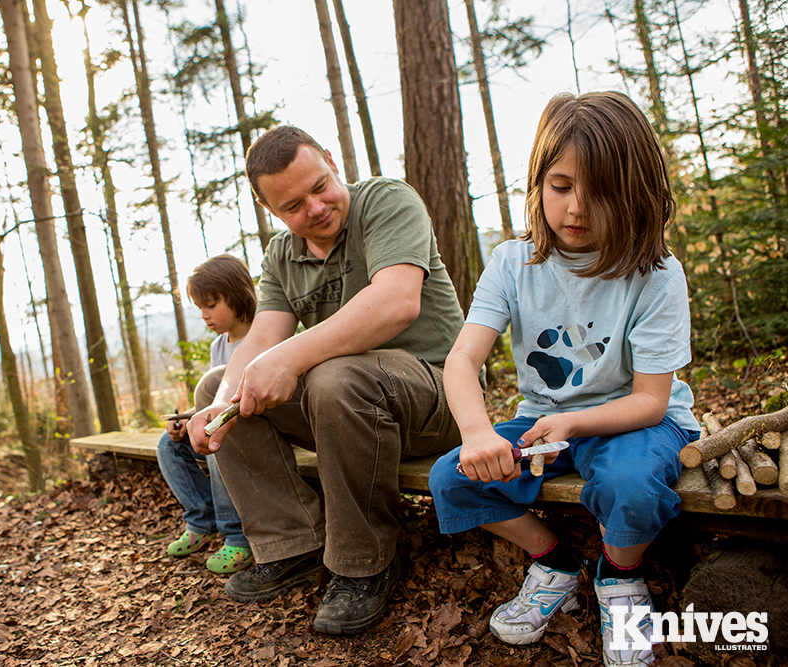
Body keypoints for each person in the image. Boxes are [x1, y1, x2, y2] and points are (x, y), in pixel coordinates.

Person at [428, 91, 701, 667]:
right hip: (544, 422)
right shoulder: (511, 262)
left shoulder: (655, 273)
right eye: (561, 186)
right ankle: (554, 562)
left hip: (636, 422)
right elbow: (461, 361)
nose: (576, 209)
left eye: (600, 192)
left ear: (636, 192)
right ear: (539, 182)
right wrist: (478, 434)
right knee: (452, 477)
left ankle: (619, 574)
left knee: (629, 484)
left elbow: (651, 401)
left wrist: (575, 421)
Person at [186, 125, 465, 635]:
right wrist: (223, 402)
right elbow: (258, 343)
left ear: (333, 162)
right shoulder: (281, 256)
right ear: (271, 211)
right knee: (217, 385)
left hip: (442, 396)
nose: (313, 208)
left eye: (319, 187)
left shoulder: (386, 201)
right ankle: (295, 544)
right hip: (352, 409)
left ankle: (366, 562)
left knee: (334, 377)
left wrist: (288, 359)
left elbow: (397, 302)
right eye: (292, 205)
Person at [157, 254, 256, 575]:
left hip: (254, 430)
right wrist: (186, 419)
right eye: (200, 307)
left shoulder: (263, 335)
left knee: (216, 436)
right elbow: (214, 399)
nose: (204, 315)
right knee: (168, 444)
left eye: (211, 305)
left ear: (238, 295)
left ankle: (237, 536)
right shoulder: (218, 347)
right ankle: (201, 520)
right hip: (221, 422)